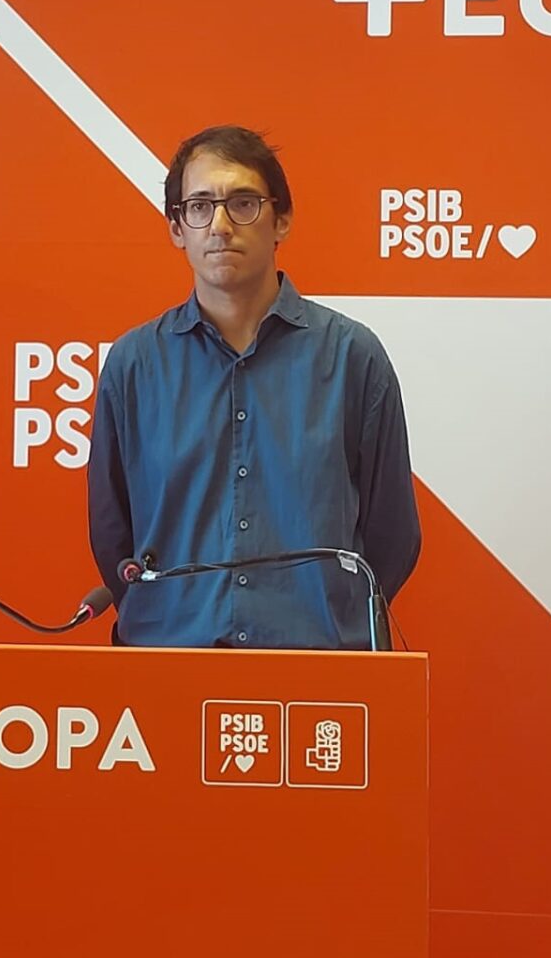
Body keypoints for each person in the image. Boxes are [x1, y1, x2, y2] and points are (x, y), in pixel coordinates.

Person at [88, 124, 421, 648]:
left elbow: (392, 536)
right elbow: (112, 534)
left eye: (243, 203)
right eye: (199, 207)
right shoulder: (134, 364)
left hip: (317, 666)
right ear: (177, 228)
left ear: (281, 219)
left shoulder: (351, 357)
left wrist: (330, 618)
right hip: (168, 662)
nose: (220, 226)